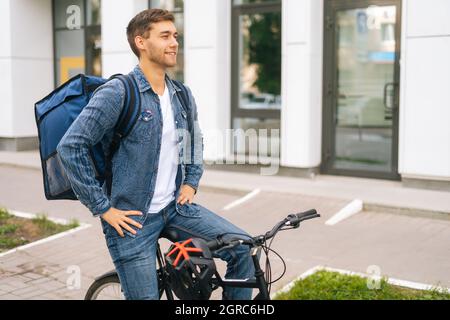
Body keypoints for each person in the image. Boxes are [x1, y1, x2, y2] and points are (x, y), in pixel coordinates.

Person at [57, 8, 254, 300]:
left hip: (175, 209)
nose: (174, 42)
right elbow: (70, 146)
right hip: (131, 220)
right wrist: (103, 208)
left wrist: (191, 182)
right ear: (141, 42)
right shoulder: (118, 93)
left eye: (175, 36)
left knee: (242, 247)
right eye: (165, 36)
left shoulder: (181, 94)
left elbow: (193, 141)